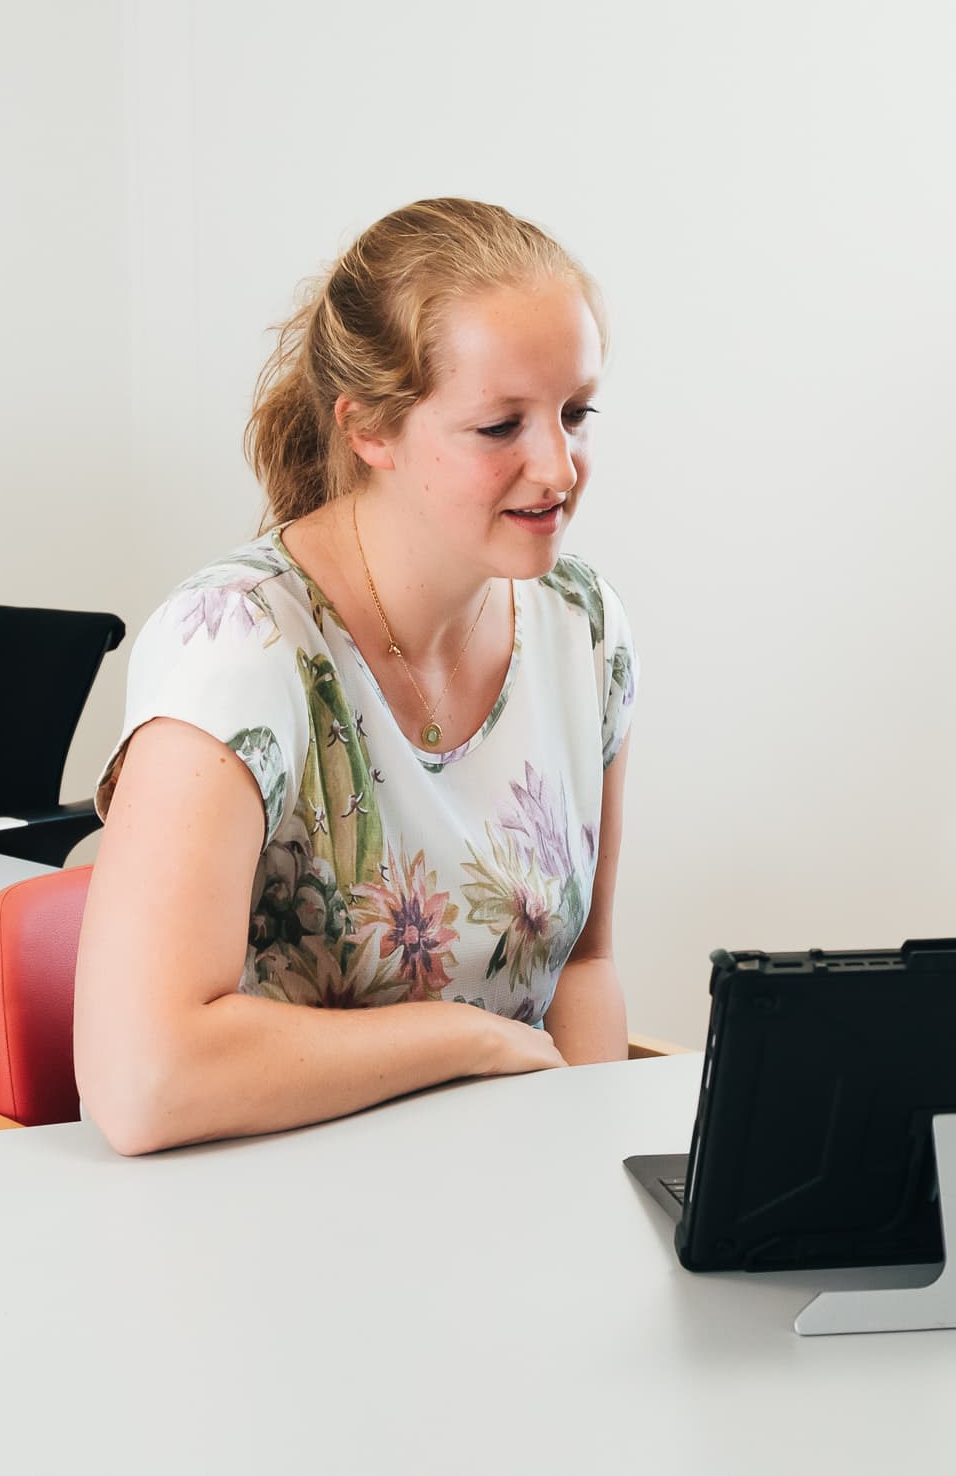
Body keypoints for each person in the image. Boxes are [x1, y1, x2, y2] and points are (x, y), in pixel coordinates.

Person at [76, 198, 637, 1155]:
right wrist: (470, 1041)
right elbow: (141, 1082)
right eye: (501, 426)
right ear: (371, 428)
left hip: (496, 1201)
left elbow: (583, 966)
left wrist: (601, 1173)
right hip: (267, 1221)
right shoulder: (241, 643)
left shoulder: (580, 624)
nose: (559, 467)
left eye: (575, 413)